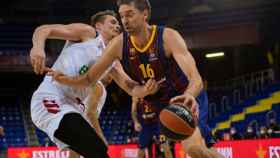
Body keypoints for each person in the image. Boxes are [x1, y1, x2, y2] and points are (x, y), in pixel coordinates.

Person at [46, 0, 224, 157]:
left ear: (145, 14)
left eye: (129, 15)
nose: (124, 20)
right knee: (203, 151)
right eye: (122, 16)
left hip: (184, 98)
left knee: (193, 149)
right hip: (158, 104)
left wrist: (190, 94)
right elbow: (90, 78)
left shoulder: (168, 37)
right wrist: (65, 79)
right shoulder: (118, 45)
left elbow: (196, 79)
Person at [30, 10, 120, 158]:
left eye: (118, 23)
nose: (117, 25)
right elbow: (44, 29)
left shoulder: (112, 59)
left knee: (94, 151)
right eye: (113, 22)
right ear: (99, 26)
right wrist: (38, 48)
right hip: (51, 97)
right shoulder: (89, 34)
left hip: (73, 106)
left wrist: (148, 87)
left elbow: (130, 86)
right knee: (96, 149)